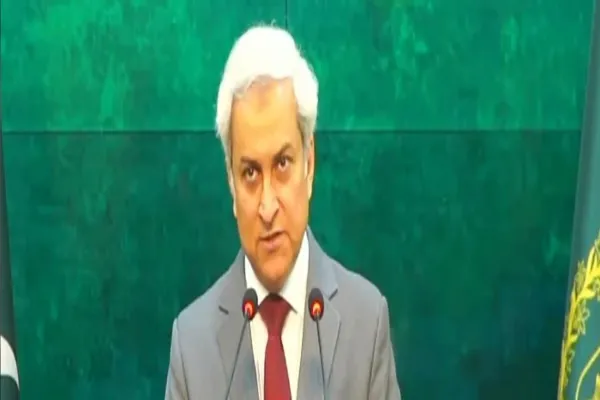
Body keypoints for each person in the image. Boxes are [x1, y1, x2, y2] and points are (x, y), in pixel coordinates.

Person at [164, 24, 402, 400]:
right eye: (250, 173)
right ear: (230, 183)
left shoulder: (366, 322)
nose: (268, 206)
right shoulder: (192, 346)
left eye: (282, 164)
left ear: (310, 163)